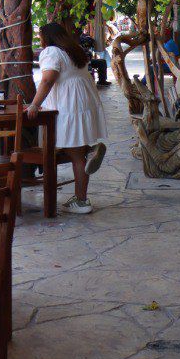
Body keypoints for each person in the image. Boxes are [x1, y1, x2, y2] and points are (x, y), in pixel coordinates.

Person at [27, 22, 108, 215]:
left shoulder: (51, 52)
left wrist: (34, 104)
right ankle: (90, 151)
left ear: (48, 37)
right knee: (76, 149)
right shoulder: (74, 50)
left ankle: (81, 201)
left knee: (76, 155)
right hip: (83, 101)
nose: (40, 39)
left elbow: (48, 79)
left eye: (41, 36)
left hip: (68, 104)